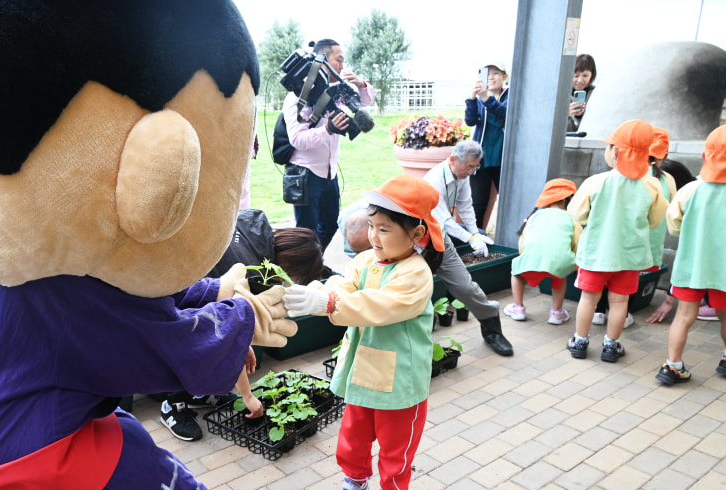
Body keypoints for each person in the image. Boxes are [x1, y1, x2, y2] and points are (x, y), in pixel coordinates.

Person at [283, 175, 445, 490]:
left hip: (399, 378)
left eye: (385, 229)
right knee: (353, 435)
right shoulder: (368, 260)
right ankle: (356, 483)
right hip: (363, 370)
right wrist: (320, 291)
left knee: (395, 444)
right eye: (372, 226)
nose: (374, 236)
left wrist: (327, 302)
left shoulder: (416, 274)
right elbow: (345, 284)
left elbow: (377, 305)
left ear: (416, 235)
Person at [160, 210, 325, 440]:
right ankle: (172, 404)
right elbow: (226, 332)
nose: (286, 282)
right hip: (170, 302)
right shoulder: (250, 269)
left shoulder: (255, 226)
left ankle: (198, 395)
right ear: (289, 264)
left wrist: (242, 340)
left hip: (174, 275)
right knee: (205, 342)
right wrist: (247, 396)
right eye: (293, 277)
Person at [337, 159, 515, 357]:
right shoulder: (351, 223)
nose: (374, 240)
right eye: (371, 229)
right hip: (393, 254)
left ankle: (491, 325)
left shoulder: (418, 220)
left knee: (464, 287)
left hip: (433, 246)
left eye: (382, 231)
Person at [566, 119, 667, 362]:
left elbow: (576, 214)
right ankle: (611, 346)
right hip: (630, 256)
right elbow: (654, 220)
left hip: (596, 253)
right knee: (620, 301)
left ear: (616, 150)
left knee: (588, 299)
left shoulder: (596, 181)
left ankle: (580, 341)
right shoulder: (652, 185)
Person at [284, 38, 374, 249]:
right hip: (305, 173)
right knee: (306, 231)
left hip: (329, 174)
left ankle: (315, 263)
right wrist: (327, 130)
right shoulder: (298, 96)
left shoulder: (336, 90)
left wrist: (361, 84)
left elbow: (364, 102)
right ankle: (306, 273)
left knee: (330, 224)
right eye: (339, 60)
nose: (343, 66)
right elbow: (296, 139)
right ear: (322, 60)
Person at [655, 125, 726, 385]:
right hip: (724, 270)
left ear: (706, 156)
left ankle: (672, 366)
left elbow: (674, 225)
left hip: (691, 266)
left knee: (684, 316)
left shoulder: (691, 190)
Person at [504, 179, 582, 324]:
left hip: (532, 259)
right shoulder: (571, 220)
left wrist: (526, 258)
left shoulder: (534, 217)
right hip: (561, 264)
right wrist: (574, 264)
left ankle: (518, 308)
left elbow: (523, 242)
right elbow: (578, 244)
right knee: (559, 277)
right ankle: (556, 313)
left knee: (517, 273)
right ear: (569, 201)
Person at [465, 61, 509, 229]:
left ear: (505, 76)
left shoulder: (509, 95)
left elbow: (503, 114)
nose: (491, 77)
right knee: (478, 202)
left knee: (507, 200)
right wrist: (472, 97)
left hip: (503, 156)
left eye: (496, 73)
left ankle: (506, 237)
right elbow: (470, 120)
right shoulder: (479, 98)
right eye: (487, 74)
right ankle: (476, 240)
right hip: (482, 157)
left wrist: (485, 97)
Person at [567, 53, 597, 133]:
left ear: (592, 75)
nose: (580, 80)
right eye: (576, 76)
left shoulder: (595, 95)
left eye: (585, 75)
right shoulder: (562, 94)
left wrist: (580, 117)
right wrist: (566, 115)